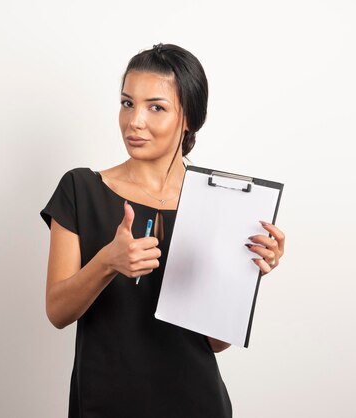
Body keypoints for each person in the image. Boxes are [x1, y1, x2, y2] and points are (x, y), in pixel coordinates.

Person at [39, 43, 286, 418]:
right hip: (104, 405)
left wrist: (247, 270)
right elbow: (57, 311)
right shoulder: (80, 189)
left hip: (197, 404)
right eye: (127, 103)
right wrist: (107, 261)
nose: (135, 121)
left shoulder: (218, 204)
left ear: (189, 118)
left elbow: (214, 344)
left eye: (156, 107)